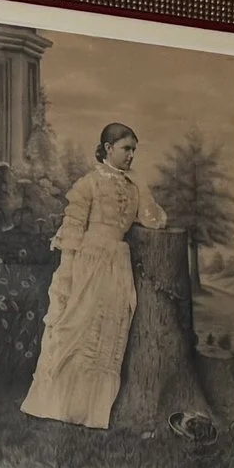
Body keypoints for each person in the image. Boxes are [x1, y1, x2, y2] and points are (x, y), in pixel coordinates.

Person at [21, 124, 166, 429]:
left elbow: (155, 221)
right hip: (89, 263)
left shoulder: (132, 187)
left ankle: (92, 412)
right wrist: (68, 278)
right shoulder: (87, 185)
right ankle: (58, 405)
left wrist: (141, 184)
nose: (131, 156)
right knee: (77, 328)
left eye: (134, 150)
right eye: (126, 149)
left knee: (109, 332)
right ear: (108, 148)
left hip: (118, 264)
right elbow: (72, 234)